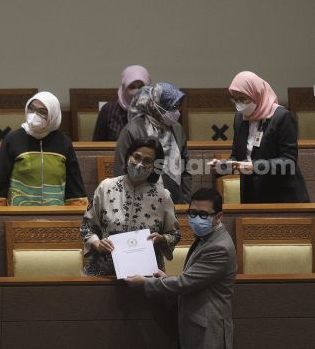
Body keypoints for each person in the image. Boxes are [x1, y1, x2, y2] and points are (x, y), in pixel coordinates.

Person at [126, 188, 237, 349]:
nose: (196, 218)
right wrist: (164, 277)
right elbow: (194, 278)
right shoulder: (207, 238)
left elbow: (186, 282)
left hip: (209, 330)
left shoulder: (219, 247)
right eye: (192, 213)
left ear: (219, 216)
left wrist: (145, 283)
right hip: (195, 323)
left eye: (203, 214)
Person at [81, 137, 181, 276]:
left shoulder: (163, 196)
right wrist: (97, 243)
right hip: (105, 272)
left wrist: (162, 239)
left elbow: (175, 234)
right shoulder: (106, 187)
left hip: (146, 275)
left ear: (154, 166)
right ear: (128, 156)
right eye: (137, 157)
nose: (140, 164)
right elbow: (87, 227)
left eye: (147, 161)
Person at [210, 71, 309, 203]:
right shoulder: (240, 118)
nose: (239, 104)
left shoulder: (282, 117)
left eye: (243, 99)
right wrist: (223, 166)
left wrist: (254, 166)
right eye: (235, 99)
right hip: (252, 196)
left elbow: (288, 161)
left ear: (257, 94)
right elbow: (237, 156)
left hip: (282, 196)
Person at [0, 91, 88, 206]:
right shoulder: (13, 139)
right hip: (18, 215)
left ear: (53, 115)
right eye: (31, 109)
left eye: (42, 112)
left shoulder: (63, 142)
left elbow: (74, 189)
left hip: (56, 215)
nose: (34, 115)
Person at [114, 82, 192, 204]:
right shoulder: (133, 130)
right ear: (156, 106)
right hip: (139, 201)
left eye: (178, 107)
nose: (176, 112)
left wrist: (187, 202)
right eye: (172, 107)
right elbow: (121, 169)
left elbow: (185, 168)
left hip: (174, 199)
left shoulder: (177, 129)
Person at [93, 65, 151, 141]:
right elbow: (97, 144)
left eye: (141, 87)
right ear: (124, 88)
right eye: (131, 87)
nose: (137, 92)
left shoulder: (155, 110)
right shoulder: (108, 110)